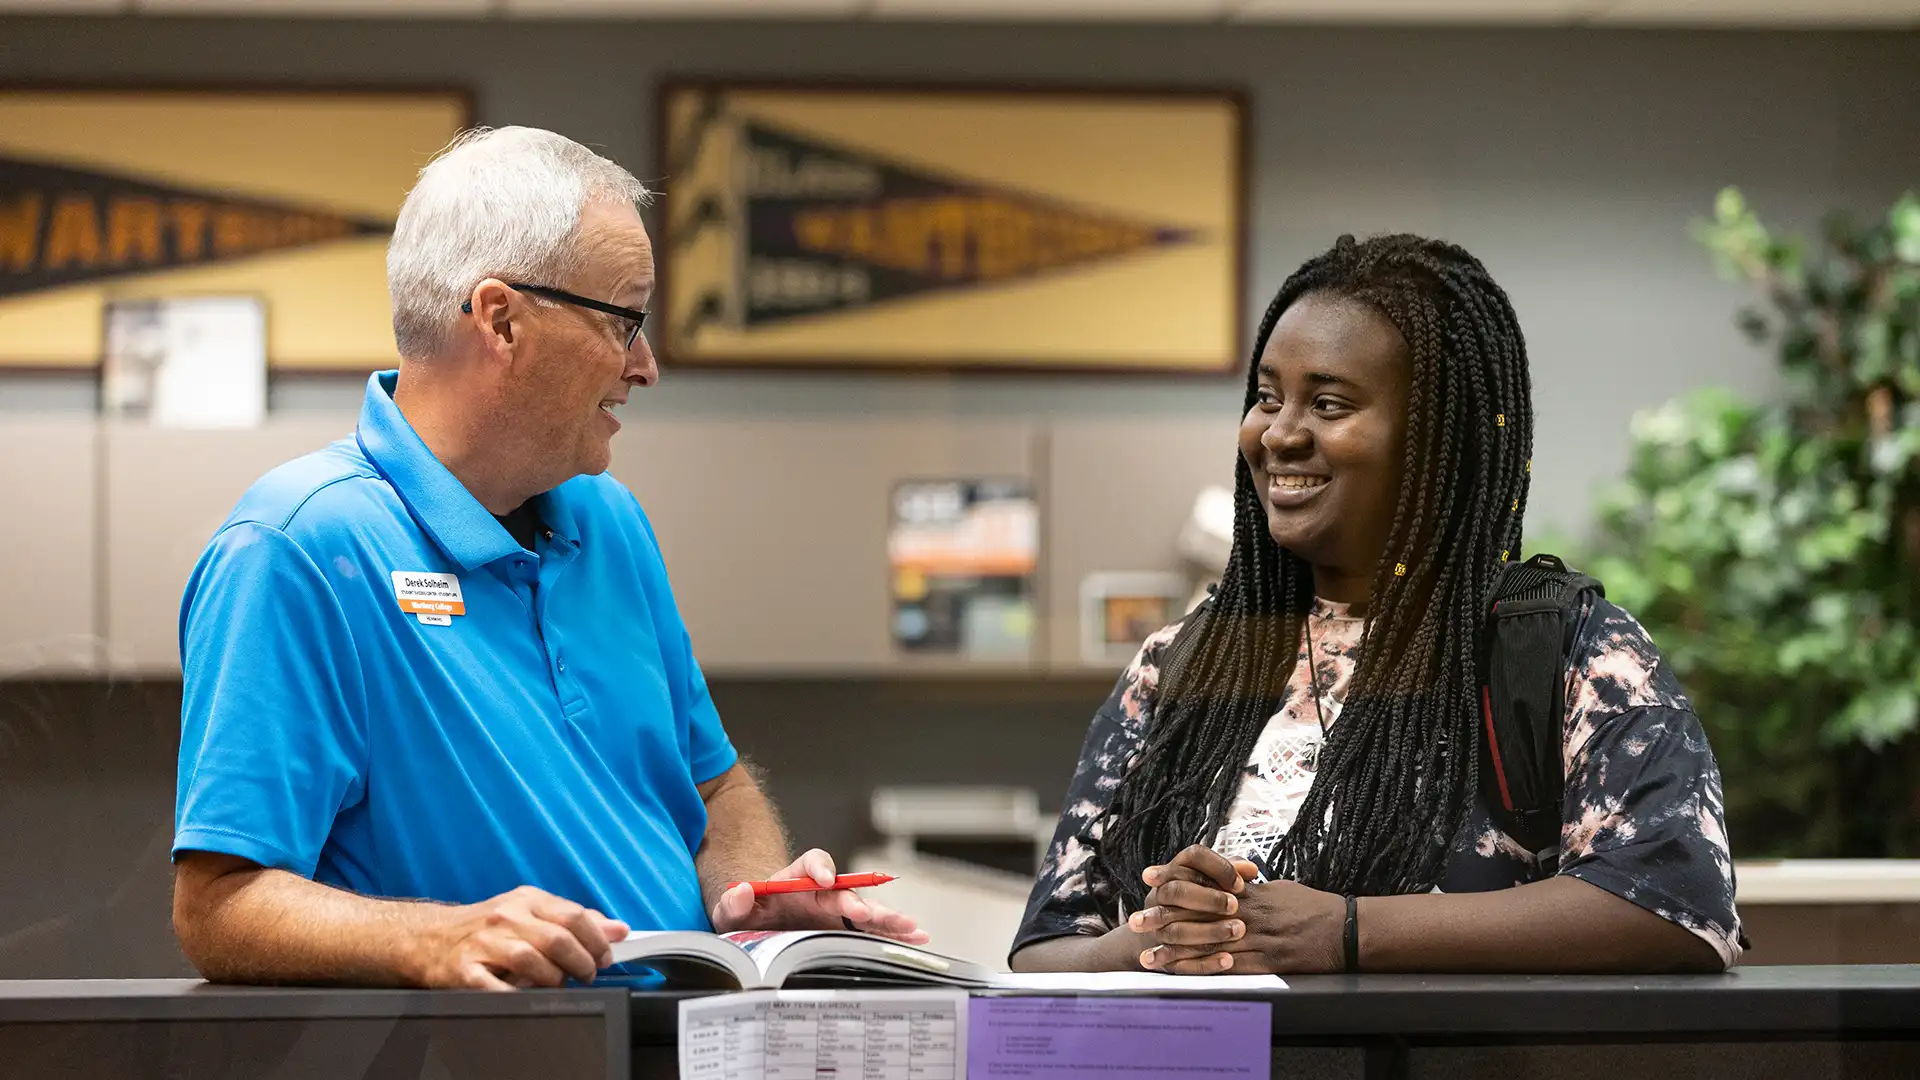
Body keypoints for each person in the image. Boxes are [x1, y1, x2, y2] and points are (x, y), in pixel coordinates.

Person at [171, 126, 922, 990]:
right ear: (502, 320)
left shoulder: (610, 520)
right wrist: (434, 939)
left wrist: (751, 893)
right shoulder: (298, 548)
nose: (645, 366)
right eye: (624, 320)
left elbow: (716, 790)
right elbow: (219, 904)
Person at [1010, 234, 1741, 975]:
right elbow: (1044, 950)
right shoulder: (1181, 662)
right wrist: (1149, 939)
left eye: (1328, 403)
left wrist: (1348, 932)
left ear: (1437, 441)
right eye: (1268, 397)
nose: (1281, 433)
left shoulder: (1567, 648)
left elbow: (1676, 904)